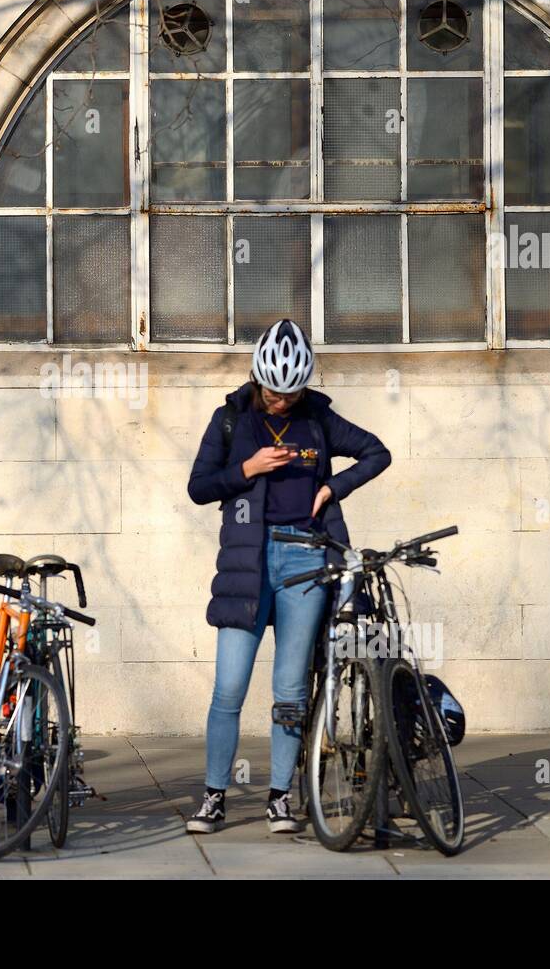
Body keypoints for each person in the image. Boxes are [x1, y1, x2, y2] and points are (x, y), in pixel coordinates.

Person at [184, 318, 391, 834]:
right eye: (275, 392)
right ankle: (213, 797)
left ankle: (279, 798)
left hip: (305, 561)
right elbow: (199, 487)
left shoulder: (318, 420)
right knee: (228, 689)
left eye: (292, 393)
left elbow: (377, 452)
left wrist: (333, 488)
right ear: (258, 381)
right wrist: (248, 469)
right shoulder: (230, 421)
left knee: (291, 690)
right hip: (246, 563)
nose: (282, 401)